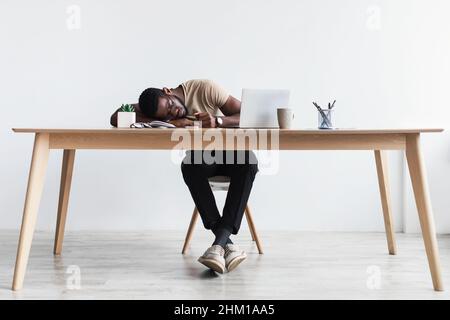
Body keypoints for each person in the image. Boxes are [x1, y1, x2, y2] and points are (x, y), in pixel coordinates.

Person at [110, 79, 258, 273]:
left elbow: (249, 114)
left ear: (168, 91)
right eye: (167, 115)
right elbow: (116, 117)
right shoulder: (157, 107)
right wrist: (169, 122)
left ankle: (219, 244)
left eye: (171, 106)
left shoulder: (204, 89)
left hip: (232, 155)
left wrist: (218, 121)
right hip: (204, 160)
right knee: (189, 165)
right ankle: (226, 244)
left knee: (248, 161)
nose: (175, 112)